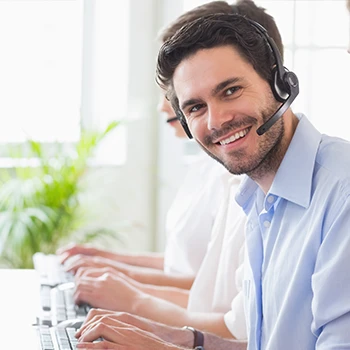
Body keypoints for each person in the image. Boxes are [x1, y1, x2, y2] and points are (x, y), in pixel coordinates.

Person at [75, 1, 350, 350]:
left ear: (280, 82)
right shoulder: (259, 197)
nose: (216, 121)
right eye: (196, 107)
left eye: (230, 90)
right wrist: (176, 338)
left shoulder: (341, 195)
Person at [58, 0, 284, 341]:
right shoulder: (231, 173)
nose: (168, 105)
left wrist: (133, 296)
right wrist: (113, 268)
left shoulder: (263, 178)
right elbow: (211, 287)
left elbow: (230, 318)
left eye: (229, 89)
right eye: (189, 98)